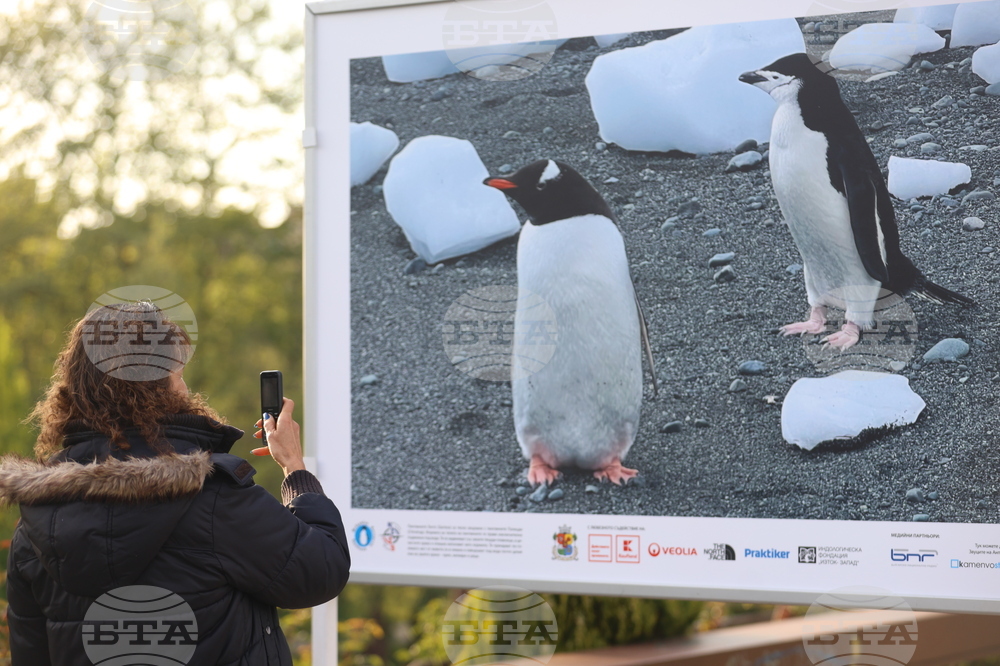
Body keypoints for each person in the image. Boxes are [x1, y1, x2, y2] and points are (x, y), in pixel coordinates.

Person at [0, 302, 350, 665]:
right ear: (155, 390)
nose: (185, 388)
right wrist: (295, 469)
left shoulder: (37, 520)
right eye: (178, 375)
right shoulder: (211, 497)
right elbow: (320, 571)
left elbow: (30, 654)